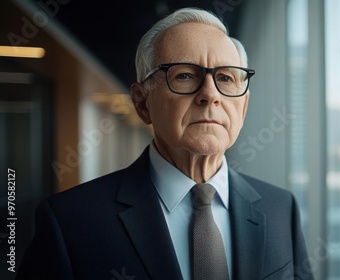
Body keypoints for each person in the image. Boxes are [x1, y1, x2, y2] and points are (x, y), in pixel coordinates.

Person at [17, 7, 313, 280]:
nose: (210, 95)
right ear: (142, 102)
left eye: (225, 78)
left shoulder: (281, 208)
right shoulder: (70, 222)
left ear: (243, 107)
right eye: (184, 75)